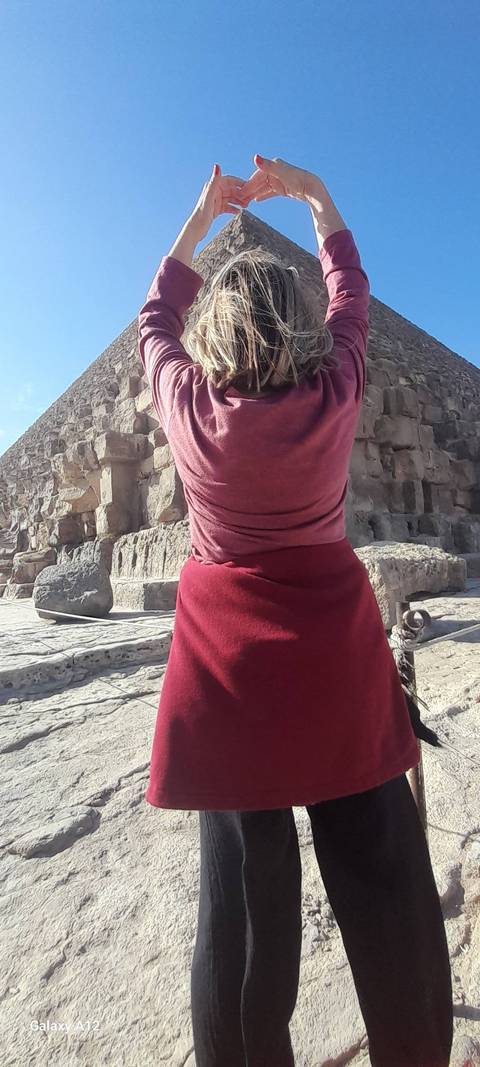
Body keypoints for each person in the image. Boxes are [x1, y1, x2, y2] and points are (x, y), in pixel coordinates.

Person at [137, 155, 453, 1067]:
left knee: (237, 924)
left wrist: (201, 218)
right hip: (336, 678)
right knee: (390, 890)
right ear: (302, 325)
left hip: (226, 692)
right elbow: (352, 291)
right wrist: (317, 199)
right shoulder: (337, 392)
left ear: (216, 334)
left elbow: (154, 317)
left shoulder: (189, 409)